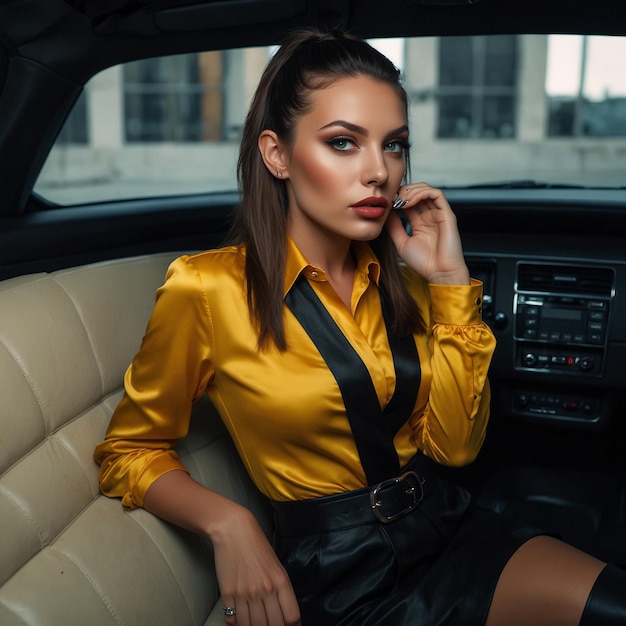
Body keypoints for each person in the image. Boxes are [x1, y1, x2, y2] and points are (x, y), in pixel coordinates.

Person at [94, 28, 626, 626]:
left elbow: (453, 447)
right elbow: (129, 450)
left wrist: (451, 281)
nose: (380, 171)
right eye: (344, 142)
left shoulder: (408, 283)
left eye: (394, 145)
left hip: (448, 524)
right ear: (277, 154)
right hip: (337, 574)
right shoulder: (207, 289)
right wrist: (229, 523)